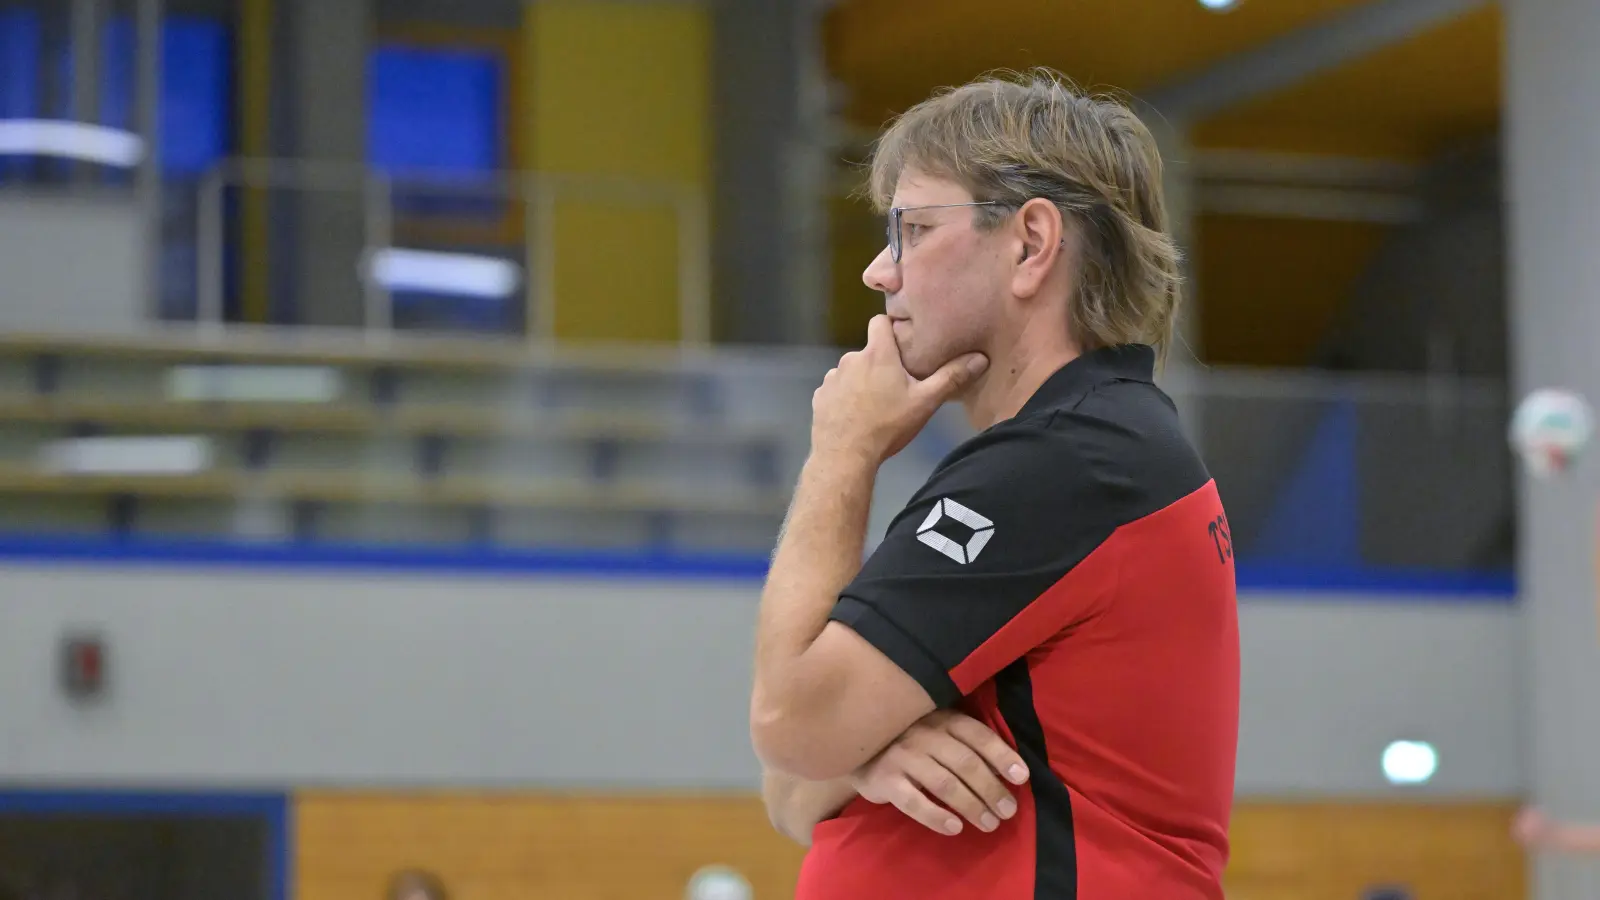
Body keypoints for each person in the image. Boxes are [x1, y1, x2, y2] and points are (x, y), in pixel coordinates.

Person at [749, 69, 1240, 899]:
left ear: (1030, 244)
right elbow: (791, 787)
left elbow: (790, 723)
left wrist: (840, 452)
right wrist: (868, 751)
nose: (880, 271)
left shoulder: (1068, 466)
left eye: (911, 229)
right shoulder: (1077, 452)